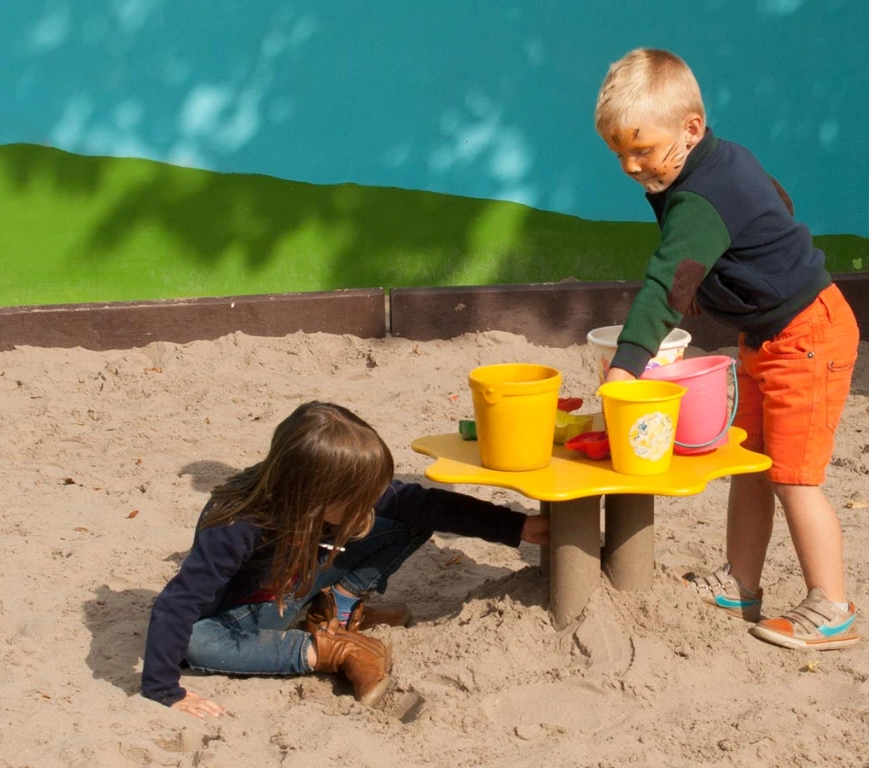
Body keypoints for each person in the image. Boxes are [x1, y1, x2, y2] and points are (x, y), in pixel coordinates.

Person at [594, 48, 859, 650]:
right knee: (752, 463)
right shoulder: (718, 160)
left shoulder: (699, 197)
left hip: (807, 336)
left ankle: (833, 605)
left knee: (794, 476)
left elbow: (667, 280)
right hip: (768, 335)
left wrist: (626, 366)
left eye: (643, 149)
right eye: (619, 153)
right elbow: (777, 201)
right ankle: (740, 583)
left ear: (689, 129)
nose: (632, 166)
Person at [141, 401, 550, 716]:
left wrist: (515, 528)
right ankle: (332, 650)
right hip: (255, 612)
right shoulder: (234, 523)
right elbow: (179, 602)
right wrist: (164, 690)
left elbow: (422, 504)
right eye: (358, 499)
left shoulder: (322, 490)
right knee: (195, 642)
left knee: (412, 516)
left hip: (300, 577)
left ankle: (340, 604)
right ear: (315, 495)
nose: (370, 501)